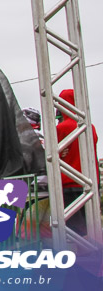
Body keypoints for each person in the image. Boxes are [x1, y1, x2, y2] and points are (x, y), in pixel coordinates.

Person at [56, 88, 100, 236]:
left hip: (69, 183)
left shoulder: (61, 128)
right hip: (89, 183)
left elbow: (52, 155)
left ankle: (84, 256)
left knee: (75, 231)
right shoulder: (90, 126)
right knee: (91, 227)